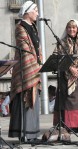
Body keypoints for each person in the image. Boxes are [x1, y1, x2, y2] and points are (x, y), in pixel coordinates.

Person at [8, 1, 42, 141]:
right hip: (25, 69)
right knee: (25, 101)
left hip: (34, 67)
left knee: (34, 102)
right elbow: (25, 49)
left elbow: (36, 46)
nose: (38, 13)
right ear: (27, 12)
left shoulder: (33, 27)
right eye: (36, 10)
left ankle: (32, 134)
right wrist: (35, 66)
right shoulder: (20, 27)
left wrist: (40, 60)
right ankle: (24, 134)